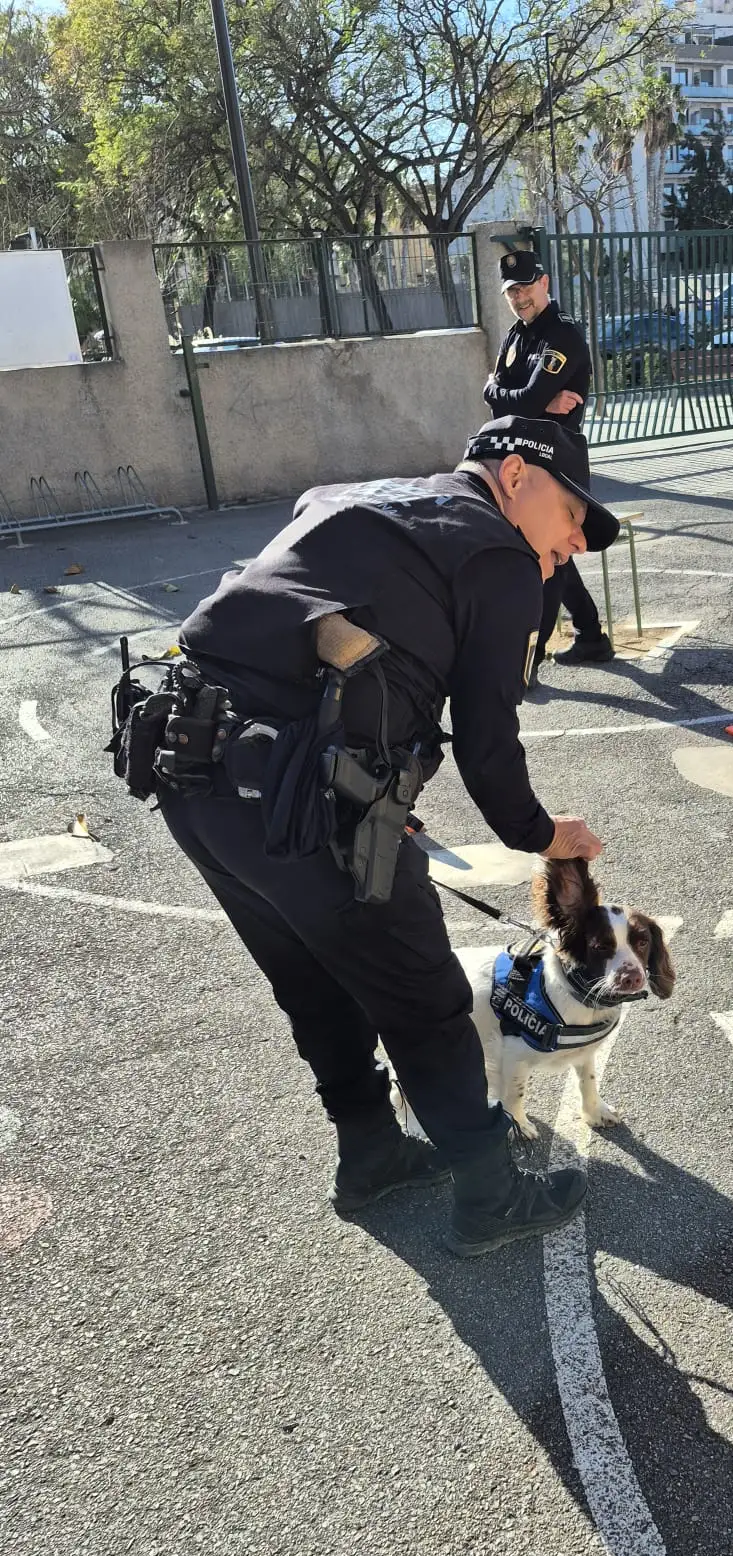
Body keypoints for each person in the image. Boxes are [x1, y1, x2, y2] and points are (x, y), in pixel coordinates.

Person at [130, 417, 620, 1258]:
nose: (575, 541)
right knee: (427, 1000)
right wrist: (546, 834)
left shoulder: (357, 496)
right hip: (299, 801)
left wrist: (379, 776)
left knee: (313, 978)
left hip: (190, 770)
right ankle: (491, 1197)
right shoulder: (499, 554)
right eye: (573, 514)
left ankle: (370, 1155)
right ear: (515, 476)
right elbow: (490, 745)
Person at [483, 249, 614, 684]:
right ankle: (591, 635)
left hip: (556, 463)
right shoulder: (517, 335)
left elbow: (517, 398)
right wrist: (534, 399)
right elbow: (498, 398)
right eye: (511, 292)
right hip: (526, 461)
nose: (519, 298)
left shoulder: (563, 334)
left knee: (551, 556)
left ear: (544, 283)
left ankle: (531, 661)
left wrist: (524, 398)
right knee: (549, 550)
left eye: (525, 288)